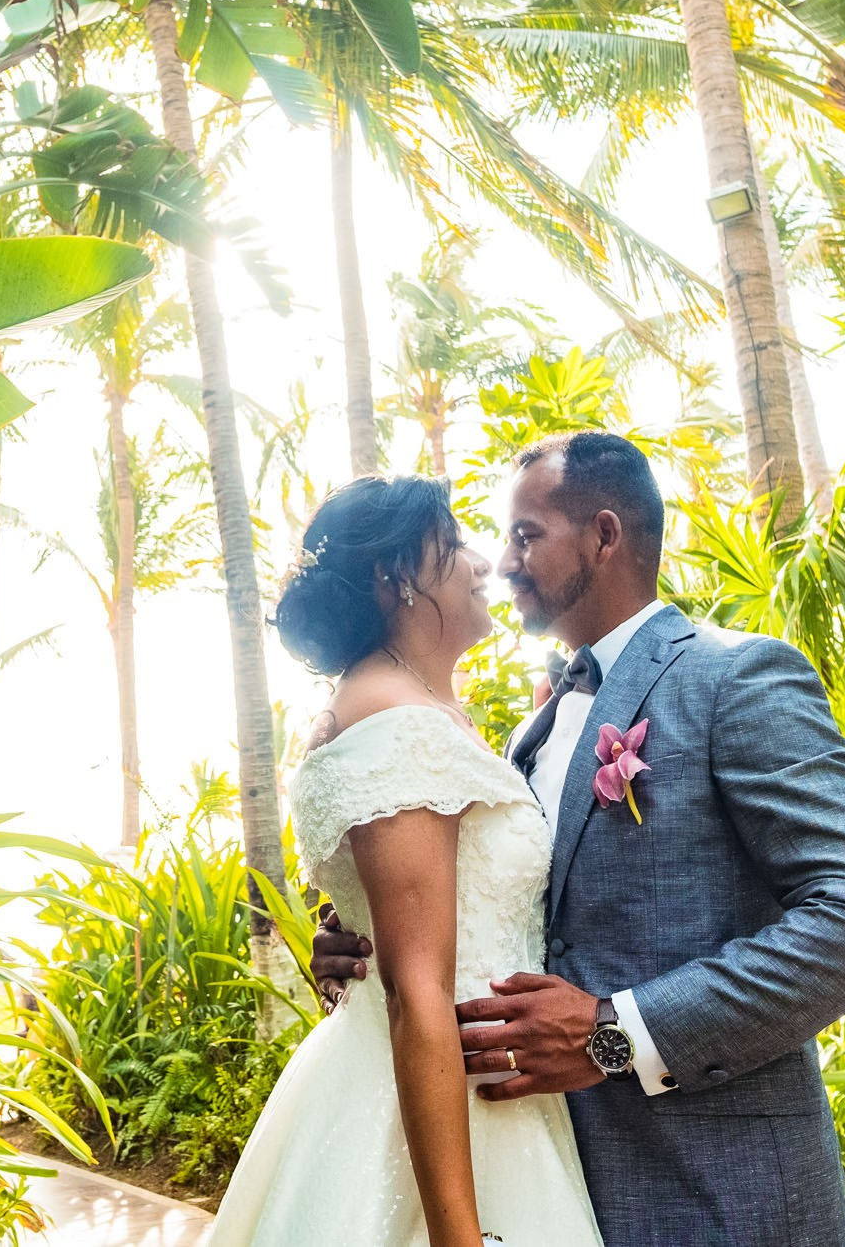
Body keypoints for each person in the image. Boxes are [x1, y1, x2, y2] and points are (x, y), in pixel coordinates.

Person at [311, 432, 845, 1246]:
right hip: (553, 1188)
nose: (503, 559)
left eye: (527, 535)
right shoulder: (527, 731)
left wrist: (614, 1032)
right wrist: (369, 945)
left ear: (604, 536)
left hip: (722, 1197)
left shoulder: (734, 678)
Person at [209, 474, 605, 1247]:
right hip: (441, 1106)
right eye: (454, 542)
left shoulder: (409, 709)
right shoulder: (398, 723)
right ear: (396, 580)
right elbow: (417, 988)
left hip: (474, 1092)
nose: (483, 561)